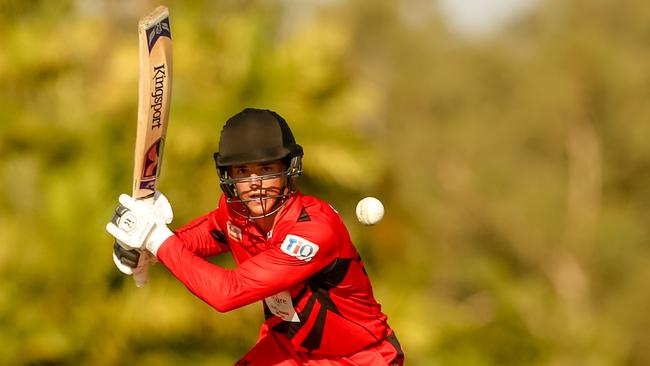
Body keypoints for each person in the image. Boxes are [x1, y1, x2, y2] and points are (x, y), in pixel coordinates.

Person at [106, 108, 404, 365]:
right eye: (243, 171)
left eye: (266, 169)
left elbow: (227, 292)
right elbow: (191, 242)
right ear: (229, 176)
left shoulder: (314, 231)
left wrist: (156, 238)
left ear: (288, 168)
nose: (255, 183)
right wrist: (144, 248)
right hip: (286, 351)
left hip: (358, 358)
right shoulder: (235, 214)